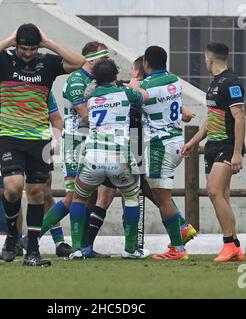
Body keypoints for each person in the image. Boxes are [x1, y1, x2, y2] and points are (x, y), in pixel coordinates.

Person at [0, 23, 85, 266]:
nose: (28, 53)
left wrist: (48, 43)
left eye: (33, 48)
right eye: (24, 48)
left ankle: (33, 250)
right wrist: (10, 39)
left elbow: (80, 62)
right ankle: (12, 234)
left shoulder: (47, 63)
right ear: (17, 45)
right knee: (13, 188)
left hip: (39, 139)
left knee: (37, 193)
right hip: (10, 137)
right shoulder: (3, 60)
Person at [84, 56, 198, 255]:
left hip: (129, 143)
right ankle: (178, 226)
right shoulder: (131, 88)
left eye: (133, 71)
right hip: (135, 142)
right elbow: (175, 108)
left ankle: (103, 246)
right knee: (143, 191)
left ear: (138, 72)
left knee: (117, 195)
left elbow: (92, 93)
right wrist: (184, 111)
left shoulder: (131, 91)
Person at [68, 58, 150, 259]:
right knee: (131, 197)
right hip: (119, 158)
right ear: (115, 76)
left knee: (79, 198)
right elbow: (144, 97)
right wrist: (133, 83)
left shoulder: (91, 96)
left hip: (92, 158)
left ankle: (77, 249)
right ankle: (130, 250)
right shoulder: (126, 93)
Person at [38, 41, 110, 259]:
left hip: (92, 142)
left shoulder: (96, 81)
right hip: (75, 143)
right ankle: (35, 239)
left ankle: (84, 247)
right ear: (91, 59)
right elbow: (85, 114)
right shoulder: (77, 80)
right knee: (74, 196)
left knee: (89, 195)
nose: (106, 62)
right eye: (103, 57)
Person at [182, 42, 246, 262]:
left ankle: (228, 244)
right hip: (212, 147)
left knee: (213, 191)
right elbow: (212, 119)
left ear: (210, 59)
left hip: (227, 147)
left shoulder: (231, 81)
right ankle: (235, 245)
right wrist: (193, 142)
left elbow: (239, 116)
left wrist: (237, 153)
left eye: (204, 58)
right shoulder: (214, 83)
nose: (204, 62)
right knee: (222, 196)